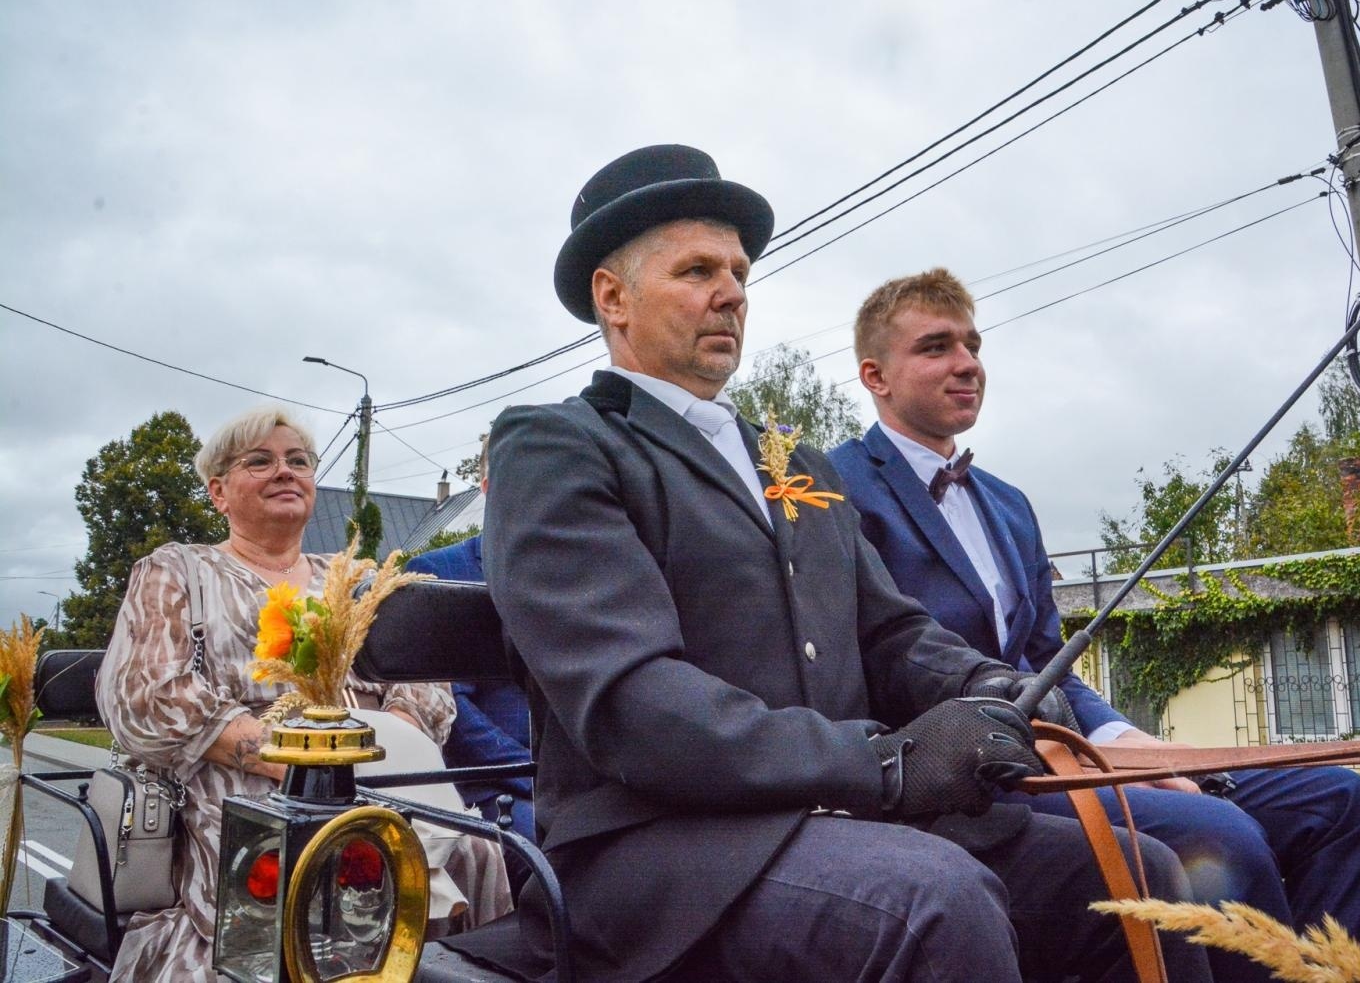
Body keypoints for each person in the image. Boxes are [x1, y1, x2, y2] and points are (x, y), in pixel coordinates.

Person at [476, 144, 1212, 983]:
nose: (732, 293)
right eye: (697, 271)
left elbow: (891, 634)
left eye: (739, 273)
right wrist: (884, 763)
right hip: (661, 851)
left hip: (842, 823)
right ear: (613, 298)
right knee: (938, 902)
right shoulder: (559, 446)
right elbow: (632, 700)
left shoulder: (795, 462)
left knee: (1145, 878)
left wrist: (1000, 690)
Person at [829, 267, 1360, 983]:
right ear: (876, 376)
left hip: (1078, 752)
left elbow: (1046, 658)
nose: (967, 363)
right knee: (1220, 837)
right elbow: (873, 660)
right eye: (935, 347)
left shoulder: (1008, 504)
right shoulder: (835, 489)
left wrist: (1124, 740)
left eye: (973, 345)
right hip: (974, 777)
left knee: (1345, 805)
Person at [97, 405, 513, 982]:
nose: (285, 471)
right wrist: (303, 761)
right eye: (259, 461)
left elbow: (427, 682)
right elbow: (146, 693)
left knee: (477, 849)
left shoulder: (355, 576)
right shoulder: (179, 570)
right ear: (218, 492)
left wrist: (387, 746)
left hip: (380, 771)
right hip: (244, 781)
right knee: (288, 869)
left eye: (298, 460)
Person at [408, 446, 535, 844]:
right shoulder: (439, 573)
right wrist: (535, 775)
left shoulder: (580, 574)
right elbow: (453, 710)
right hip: (492, 787)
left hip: (579, 784)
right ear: (488, 487)